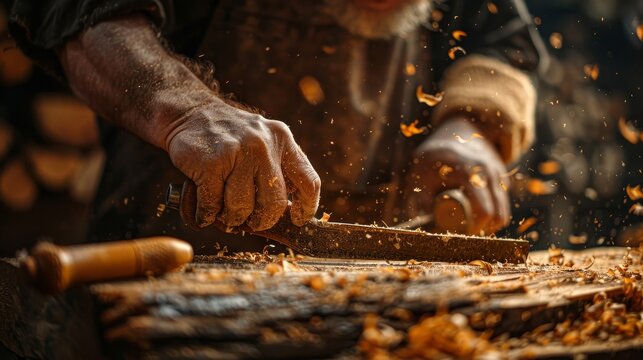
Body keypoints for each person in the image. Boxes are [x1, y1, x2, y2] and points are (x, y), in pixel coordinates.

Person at [7, 0, 545, 247]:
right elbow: (74, 11)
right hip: (160, 270)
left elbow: (505, 42)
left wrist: (468, 129)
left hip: (379, 293)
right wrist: (188, 111)